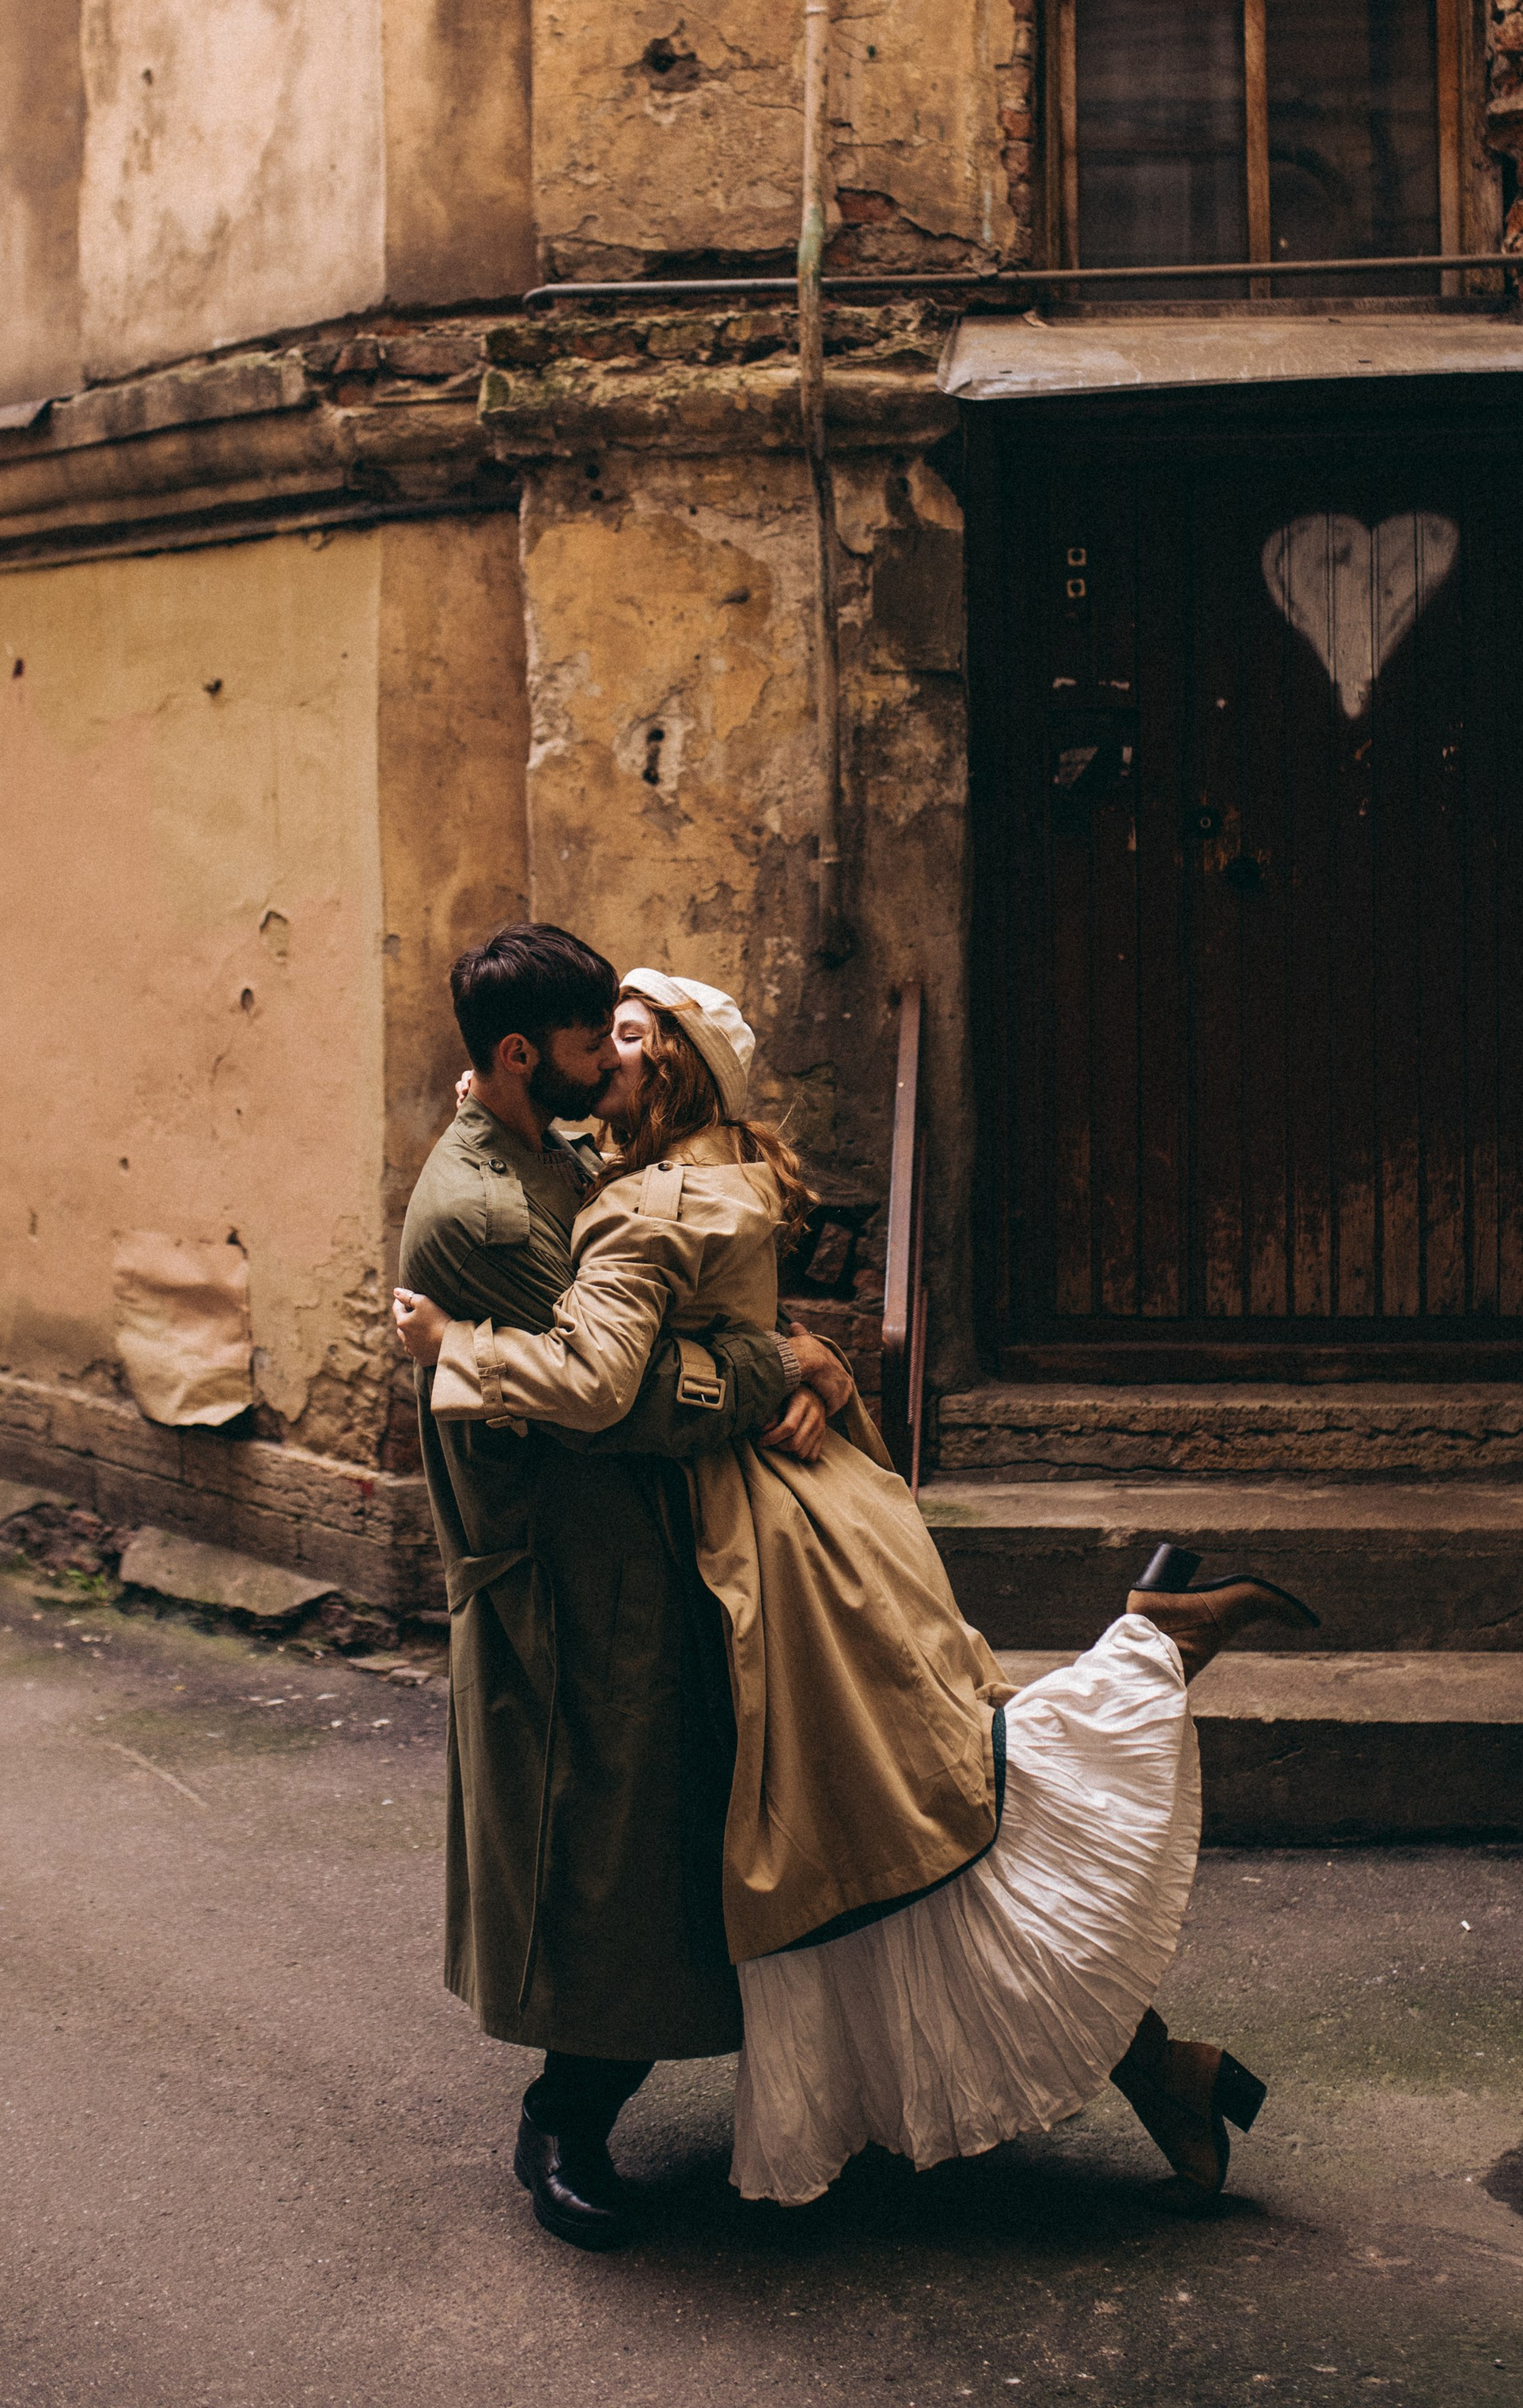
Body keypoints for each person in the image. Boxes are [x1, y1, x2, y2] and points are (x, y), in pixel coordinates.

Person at [398, 965, 1318, 2217]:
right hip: (810, 1523)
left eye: (621, 1039)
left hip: (768, 1554)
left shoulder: (658, 1194)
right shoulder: (680, 1162)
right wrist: (497, 1096)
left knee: (899, 1831)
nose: (597, 1062)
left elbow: (605, 1382)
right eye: (584, 1040)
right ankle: (1167, 2058)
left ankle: (1143, 1662)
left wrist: (459, 1347)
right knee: (913, 1835)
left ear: (666, 1067)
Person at [394, 923, 854, 2255]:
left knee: (651, 1841)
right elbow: (634, 1396)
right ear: (526, 1055)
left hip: (629, 1557)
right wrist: (790, 1363)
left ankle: (603, 2095)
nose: (616, 1064)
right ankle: (563, 2126)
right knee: (590, 1853)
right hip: (561, 1579)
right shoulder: (481, 1209)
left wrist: (778, 1344)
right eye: (599, 1041)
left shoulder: (564, 1146)